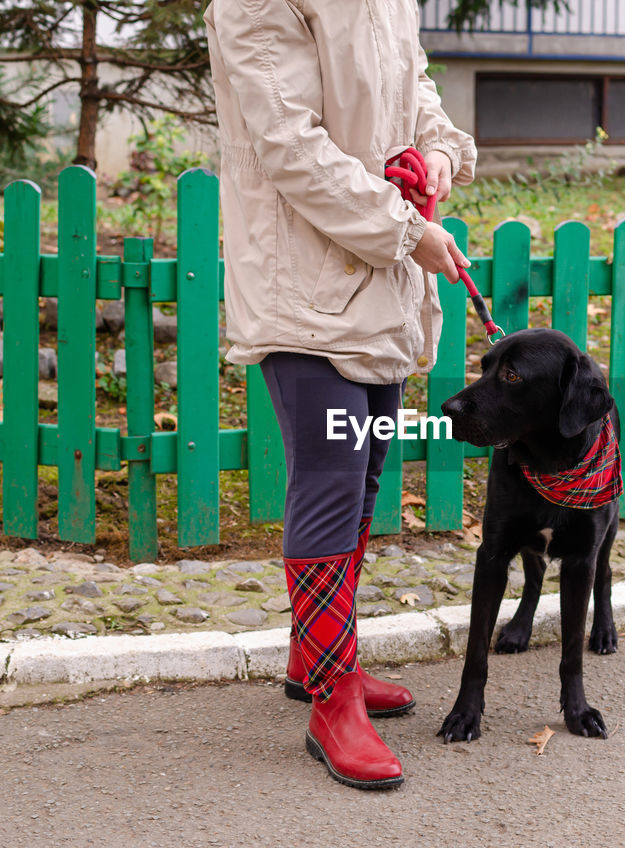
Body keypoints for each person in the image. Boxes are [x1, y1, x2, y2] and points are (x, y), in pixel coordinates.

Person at [203, 0, 476, 790]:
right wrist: (404, 229)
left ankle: (315, 656)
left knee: (360, 479)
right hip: (305, 288)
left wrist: (438, 157)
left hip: (378, 284)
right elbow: (289, 144)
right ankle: (332, 698)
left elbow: (412, 86)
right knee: (326, 483)